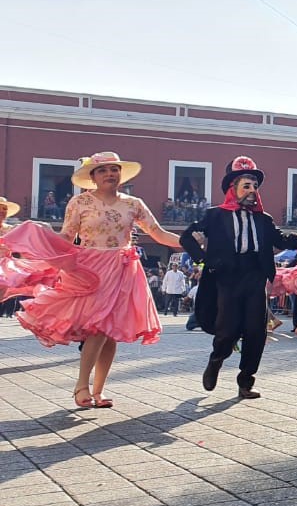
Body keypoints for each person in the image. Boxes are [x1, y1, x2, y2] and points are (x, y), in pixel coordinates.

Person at [7, 152, 182, 408]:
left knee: (109, 332)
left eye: (114, 169)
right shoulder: (80, 203)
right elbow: (67, 237)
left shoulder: (134, 203)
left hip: (123, 269)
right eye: (103, 170)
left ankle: (98, 391)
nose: (110, 174)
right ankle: (81, 386)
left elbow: (158, 233)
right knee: (99, 327)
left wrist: (192, 243)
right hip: (91, 268)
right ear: (92, 177)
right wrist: (42, 239)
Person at [182, 156, 297, 399]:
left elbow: (278, 239)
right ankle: (216, 360)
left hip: (255, 276)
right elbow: (187, 237)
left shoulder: (263, 219)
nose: (252, 191)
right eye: (246, 186)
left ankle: (246, 381)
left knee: (256, 332)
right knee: (228, 328)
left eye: (255, 186)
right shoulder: (215, 215)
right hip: (227, 276)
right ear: (232, 189)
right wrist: (204, 260)